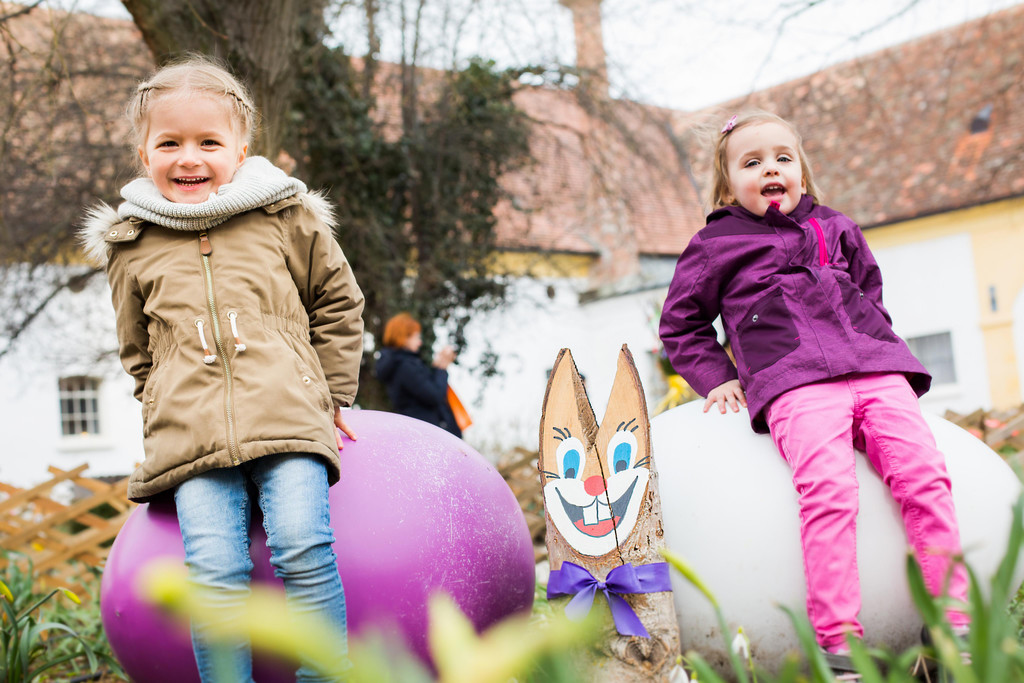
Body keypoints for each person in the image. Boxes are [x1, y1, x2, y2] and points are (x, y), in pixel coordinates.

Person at [80, 55, 363, 682]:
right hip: (192, 435)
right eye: (169, 143)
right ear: (143, 151)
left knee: (302, 547)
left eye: (209, 142)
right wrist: (160, 404)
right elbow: (137, 348)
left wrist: (335, 393)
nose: (189, 158)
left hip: (289, 415)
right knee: (214, 574)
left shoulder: (285, 217)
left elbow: (338, 303)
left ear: (240, 148)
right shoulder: (133, 244)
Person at [659, 111, 969, 676]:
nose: (771, 168)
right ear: (729, 183)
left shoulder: (838, 226)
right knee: (829, 494)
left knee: (925, 479)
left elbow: (871, 293)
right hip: (793, 379)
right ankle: (840, 643)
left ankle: (954, 625)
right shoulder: (715, 243)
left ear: (801, 168)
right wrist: (719, 377)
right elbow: (681, 325)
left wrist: (876, 343)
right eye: (752, 162)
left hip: (876, 369)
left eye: (783, 157)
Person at [375, 313, 462, 437]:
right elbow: (434, 396)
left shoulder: (399, 364)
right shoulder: (405, 366)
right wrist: (441, 369)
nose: (420, 342)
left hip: (422, 432)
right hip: (429, 434)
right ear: (404, 337)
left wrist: (437, 367)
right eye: (416, 337)